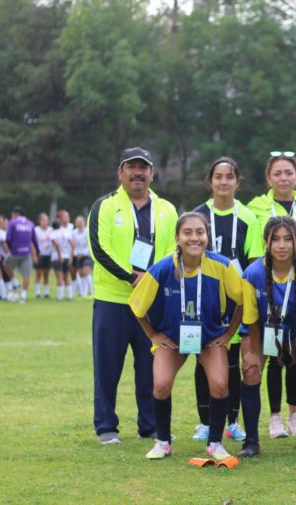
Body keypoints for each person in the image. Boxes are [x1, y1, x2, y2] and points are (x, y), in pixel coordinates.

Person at [128, 212, 243, 461]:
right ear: (177, 238)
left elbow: (243, 300)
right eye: (188, 233)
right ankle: (163, 441)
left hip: (210, 337)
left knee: (221, 383)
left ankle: (215, 443)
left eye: (200, 232)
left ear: (207, 236)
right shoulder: (162, 269)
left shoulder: (222, 265)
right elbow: (136, 305)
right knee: (160, 384)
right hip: (171, 338)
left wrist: (229, 333)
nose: (194, 238)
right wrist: (153, 334)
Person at [88, 147, 178, 445]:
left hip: (152, 302)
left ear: (152, 173)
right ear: (120, 172)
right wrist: (131, 277)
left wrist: (151, 281)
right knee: (107, 365)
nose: (137, 172)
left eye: (143, 167)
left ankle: (151, 425)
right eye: (131, 167)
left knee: (150, 366)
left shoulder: (166, 209)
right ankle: (106, 426)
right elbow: (100, 250)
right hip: (113, 300)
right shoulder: (104, 205)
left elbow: (171, 252)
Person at [237, 217, 296, 458]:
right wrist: (255, 353)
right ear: (266, 242)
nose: (282, 245)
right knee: (250, 369)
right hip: (261, 331)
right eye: (275, 239)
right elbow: (251, 320)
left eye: (288, 239)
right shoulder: (252, 273)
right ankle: (251, 442)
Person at [191, 156, 263, 442]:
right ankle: (206, 422)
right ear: (210, 181)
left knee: (233, 360)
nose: (223, 182)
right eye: (218, 176)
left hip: (236, 298)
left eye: (229, 177)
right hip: (204, 295)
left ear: (237, 181)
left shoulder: (248, 217)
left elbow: (254, 259)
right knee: (203, 357)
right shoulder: (198, 215)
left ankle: (232, 421)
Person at [247, 152, 296, 438]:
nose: (283, 178)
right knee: (274, 351)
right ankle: (275, 417)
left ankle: (295, 415)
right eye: (277, 173)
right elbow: (256, 247)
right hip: (270, 285)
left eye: (288, 172)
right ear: (268, 178)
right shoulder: (257, 206)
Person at [4, 206, 39, 304]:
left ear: (15, 214)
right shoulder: (30, 224)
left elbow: (8, 238)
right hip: (26, 253)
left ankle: (15, 283)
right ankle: (23, 298)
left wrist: (11, 249)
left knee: (6, 266)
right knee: (26, 275)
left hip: (15, 252)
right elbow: (34, 240)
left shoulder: (12, 222)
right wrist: (37, 252)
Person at [50, 219, 72, 302]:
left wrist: (59, 255)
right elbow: (72, 244)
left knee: (59, 277)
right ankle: (70, 296)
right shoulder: (65, 232)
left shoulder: (53, 234)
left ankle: (60, 297)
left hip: (57, 257)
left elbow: (56, 244)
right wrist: (70, 257)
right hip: (66, 256)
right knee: (66, 277)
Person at [72, 215, 94, 298]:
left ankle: (91, 290)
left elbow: (90, 245)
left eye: (80, 222)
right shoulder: (74, 232)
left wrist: (83, 253)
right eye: (77, 222)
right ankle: (83, 292)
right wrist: (76, 253)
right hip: (78, 256)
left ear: (84, 222)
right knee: (81, 274)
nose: (79, 224)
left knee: (85, 272)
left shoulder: (88, 231)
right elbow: (73, 245)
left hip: (87, 255)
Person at [57, 210, 76, 301]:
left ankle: (70, 295)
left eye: (67, 216)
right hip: (60, 256)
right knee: (62, 276)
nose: (67, 218)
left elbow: (73, 244)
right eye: (65, 216)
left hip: (70, 255)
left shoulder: (72, 227)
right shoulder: (58, 228)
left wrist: (71, 257)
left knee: (68, 275)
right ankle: (65, 295)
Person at [34, 213, 53, 298]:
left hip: (48, 254)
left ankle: (46, 292)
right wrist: (35, 254)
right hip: (40, 254)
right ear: (40, 221)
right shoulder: (36, 230)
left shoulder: (51, 229)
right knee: (39, 273)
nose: (45, 222)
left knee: (46, 273)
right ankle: (37, 292)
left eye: (47, 220)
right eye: (44, 220)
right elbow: (33, 243)